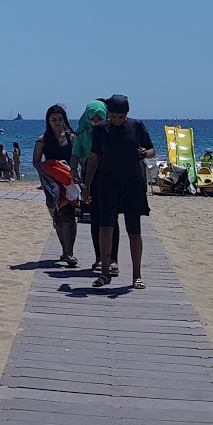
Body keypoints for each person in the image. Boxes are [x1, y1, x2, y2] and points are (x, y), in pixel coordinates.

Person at [80, 95, 154, 289]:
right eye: (113, 117)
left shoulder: (136, 126)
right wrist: (86, 186)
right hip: (107, 183)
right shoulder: (100, 129)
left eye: (120, 117)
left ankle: (136, 275)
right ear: (108, 114)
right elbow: (94, 157)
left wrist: (145, 153)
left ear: (126, 114)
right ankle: (105, 272)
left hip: (133, 183)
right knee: (106, 227)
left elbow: (152, 149)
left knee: (134, 230)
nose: (117, 120)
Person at [72, 99, 115, 273]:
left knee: (112, 219)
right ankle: (99, 258)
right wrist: (73, 169)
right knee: (95, 217)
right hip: (91, 174)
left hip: (111, 174)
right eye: (93, 118)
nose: (96, 122)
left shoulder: (113, 128)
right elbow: (76, 151)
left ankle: (113, 260)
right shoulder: (83, 128)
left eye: (99, 118)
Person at [34, 104, 79, 268]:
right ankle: (65, 249)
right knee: (58, 217)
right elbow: (36, 162)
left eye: (60, 119)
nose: (57, 122)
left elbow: (79, 157)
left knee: (69, 215)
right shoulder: (42, 140)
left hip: (69, 182)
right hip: (52, 184)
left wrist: (75, 173)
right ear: (48, 121)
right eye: (54, 120)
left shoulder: (72, 138)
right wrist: (50, 169)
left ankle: (70, 252)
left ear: (64, 120)